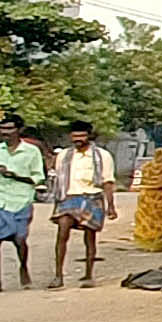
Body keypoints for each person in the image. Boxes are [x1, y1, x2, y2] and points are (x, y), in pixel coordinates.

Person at [0, 118, 45, 293]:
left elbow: (38, 177)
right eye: (2, 129)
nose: (5, 133)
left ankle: (23, 267)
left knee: (19, 240)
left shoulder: (31, 151)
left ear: (19, 130)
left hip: (20, 200)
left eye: (9, 129)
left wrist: (15, 175)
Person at [48, 121, 117, 288]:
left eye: (82, 136)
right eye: (75, 136)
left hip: (92, 198)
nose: (78, 139)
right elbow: (59, 180)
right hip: (69, 198)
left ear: (89, 136)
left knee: (90, 236)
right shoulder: (64, 156)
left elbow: (107, 181)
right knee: (62, 230)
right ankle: (58, 275)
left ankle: (88, 274)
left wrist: (111, 206)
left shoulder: (102, 156)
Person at [130, 147, 162, 252]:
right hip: (161, 197)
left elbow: (143, 181)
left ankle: (145, 242)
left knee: (145, 220)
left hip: (146, 197)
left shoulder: (147, 167)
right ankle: (157, 243)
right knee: (159, 222)